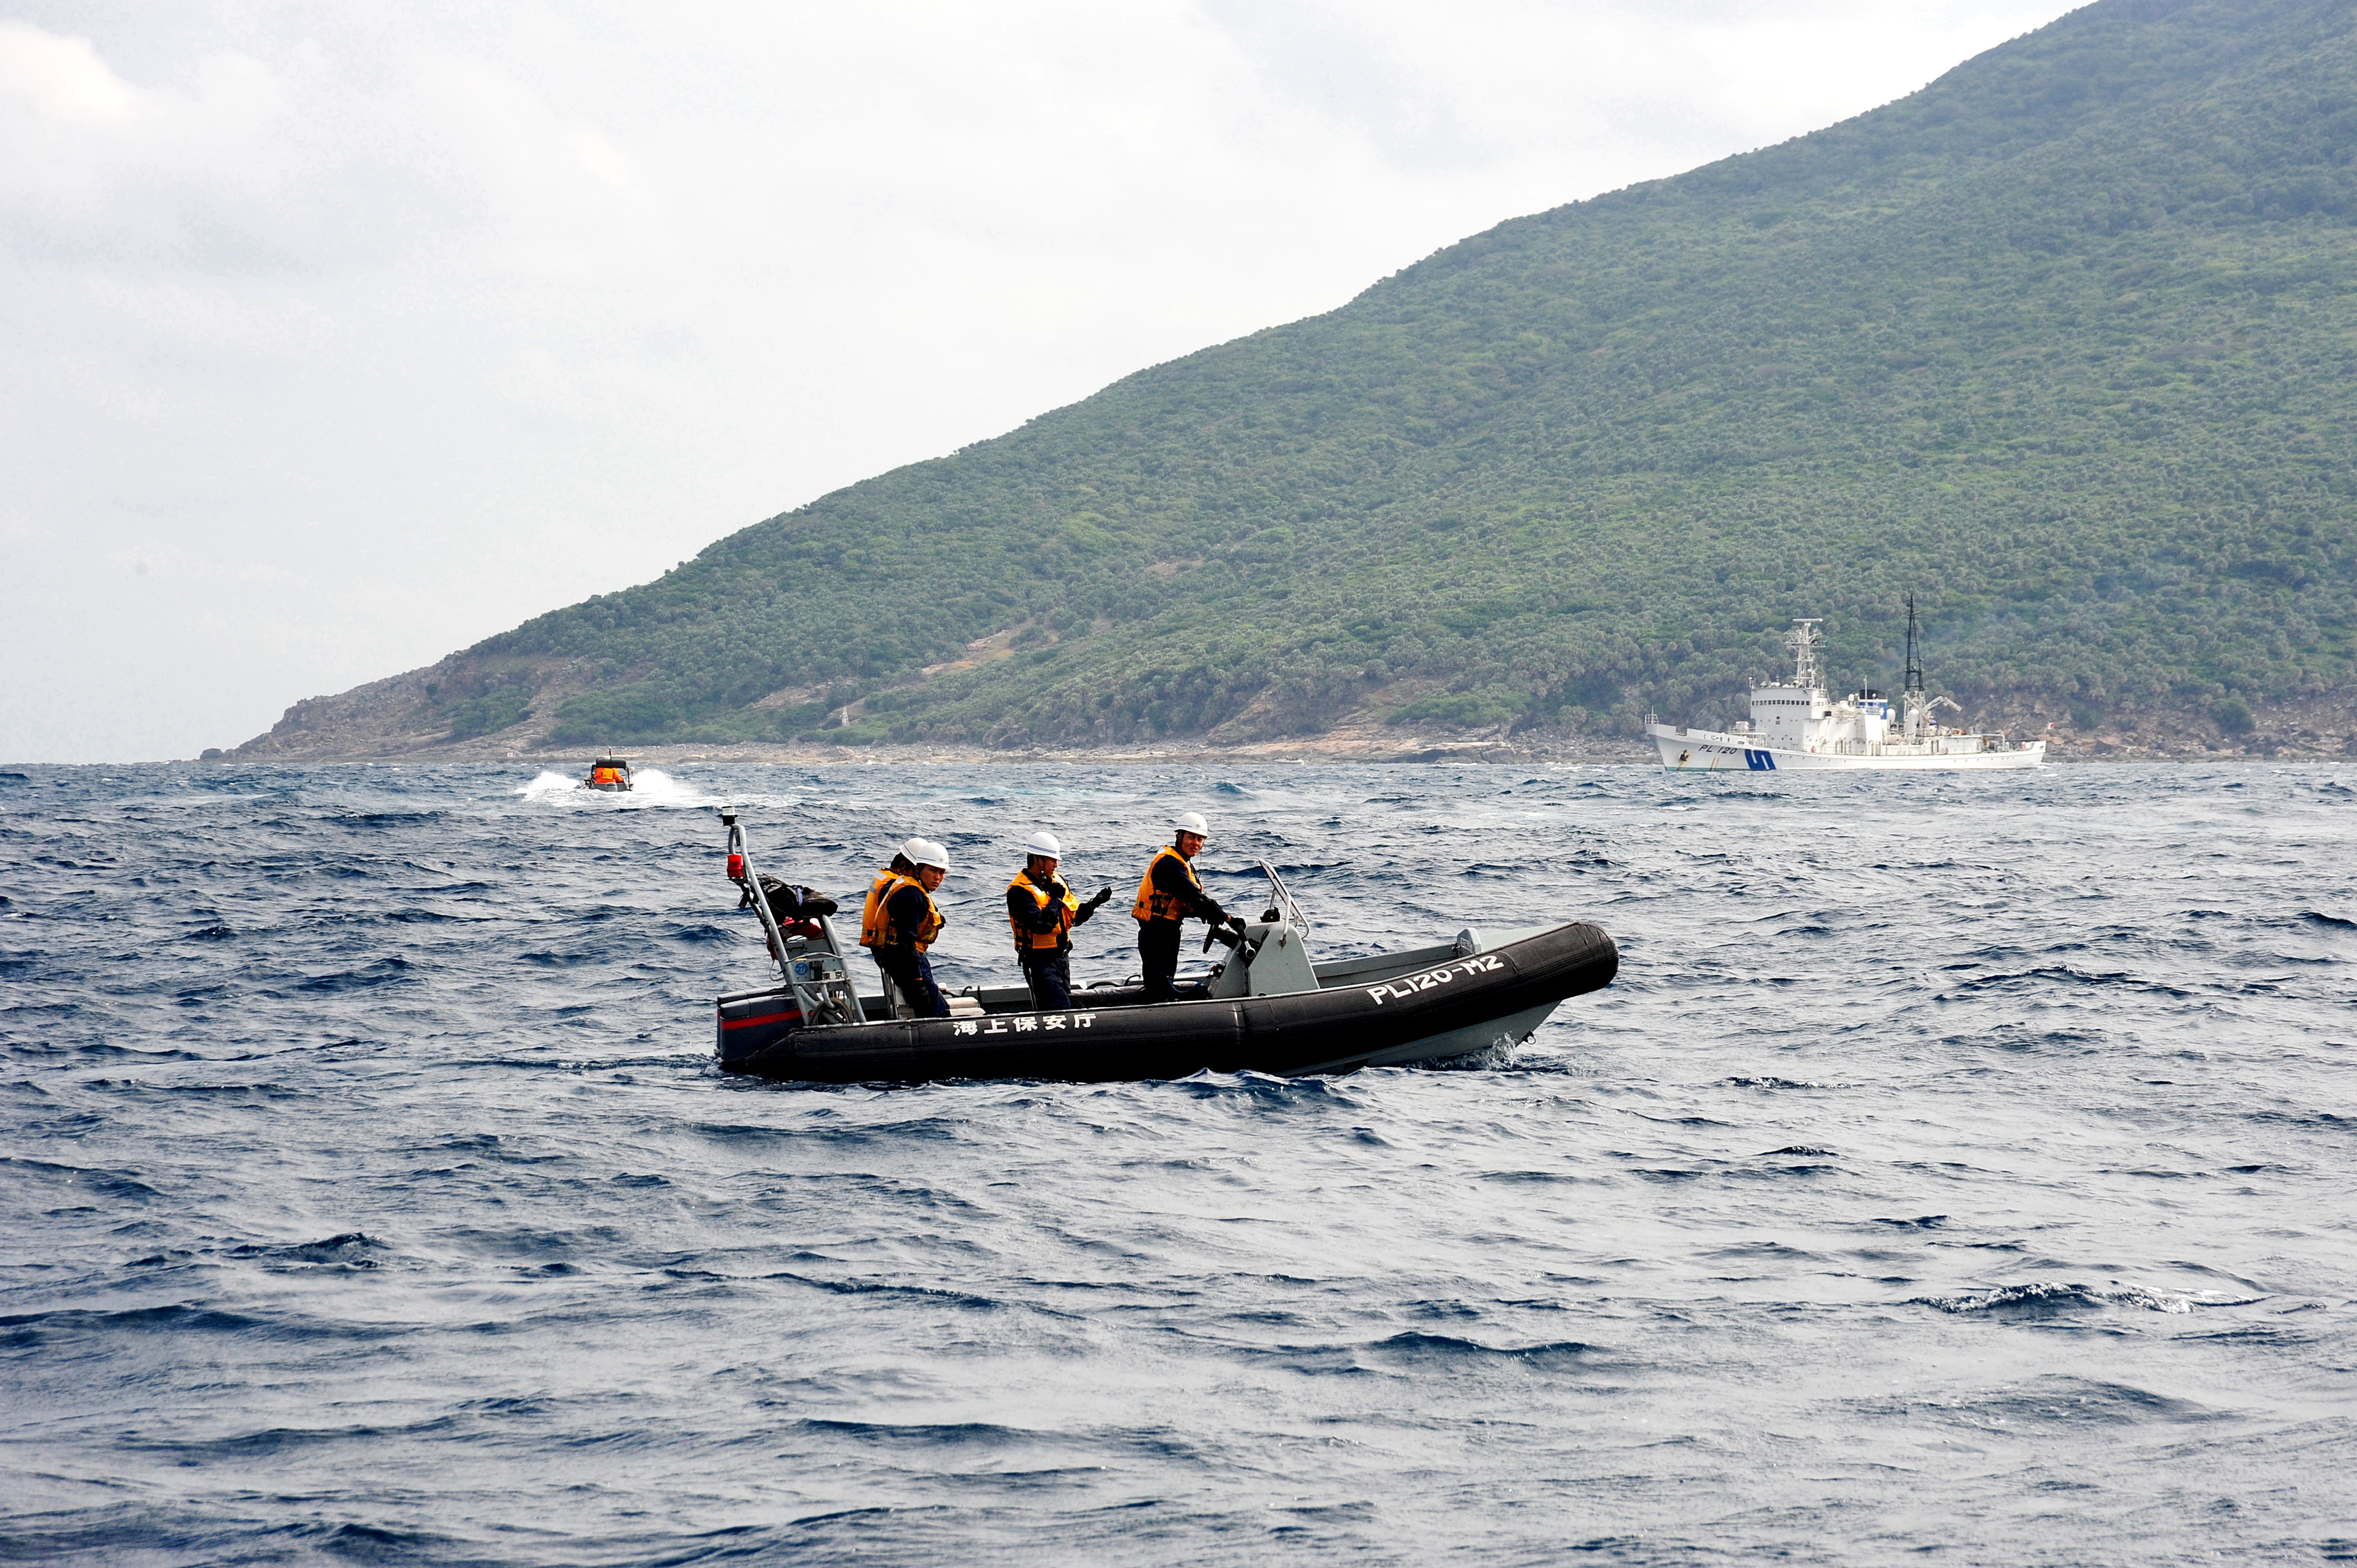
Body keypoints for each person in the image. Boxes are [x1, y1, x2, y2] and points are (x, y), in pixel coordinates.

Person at [1131, 810, 1244, 1004]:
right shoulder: (1169, 865)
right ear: (1179, 836)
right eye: (1191, 837)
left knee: (1163, 982)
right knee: (1159, 986)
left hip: (1166, 931)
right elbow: (1194, 897)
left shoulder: (1181, 863)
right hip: (1157, 933)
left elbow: (1190, 903)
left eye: (1200, 839)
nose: (1196, 843)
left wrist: (1210, 915)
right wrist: (1228, 920)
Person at [1006, 829, 1112, 1011]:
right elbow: (1043, 926)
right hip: (1040, 963)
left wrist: (1095, 902)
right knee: (1057, 1010)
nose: (1056, 865)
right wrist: (1055, 900)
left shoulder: (1057, 883)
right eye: (1052, 860)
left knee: (1065, 1007)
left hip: (1062, 959)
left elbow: (1075, 918)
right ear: (1039, 859)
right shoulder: (1020, 892)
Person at [861, 837, 950, 1018]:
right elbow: (907, 942)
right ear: (917, 868)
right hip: (902, 957)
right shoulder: (910, 894)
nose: (938, 878)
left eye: (942, 872)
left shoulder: (898, 884)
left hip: (892, 953)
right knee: (935, 1008)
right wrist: (917, 981)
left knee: (931, 997)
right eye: (932, 870)